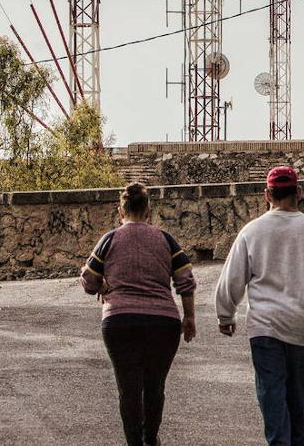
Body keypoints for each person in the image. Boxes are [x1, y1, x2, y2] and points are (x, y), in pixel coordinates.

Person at [215, 166, 304, 446]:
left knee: (271, 392)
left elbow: (232, 276)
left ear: (266, 195)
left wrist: (226, 314)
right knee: (297, 393)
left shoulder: (252, 231)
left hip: (264, 326)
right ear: (298, 192)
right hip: (301, 325)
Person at [81, 182, 197, 446]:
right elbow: (185, 281)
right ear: (148, 211)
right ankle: (150, 438)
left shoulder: (109, 239)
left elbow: (88, 281)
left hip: (120, 322)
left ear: (120, 211)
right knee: (155, 387)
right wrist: (189, 318)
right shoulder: (166, 239)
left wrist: (103, 285)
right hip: (163, 323)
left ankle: (134, 442)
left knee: (128, 389)